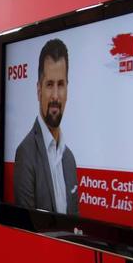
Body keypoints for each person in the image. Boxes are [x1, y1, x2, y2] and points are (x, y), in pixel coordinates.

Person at [13, 38, 78, 215]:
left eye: (61, 84)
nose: (56, 96)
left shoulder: (70, 159)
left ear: (67, 89)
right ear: (38, 89)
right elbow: (26, 232)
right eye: (49, 85)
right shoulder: (25, 154)